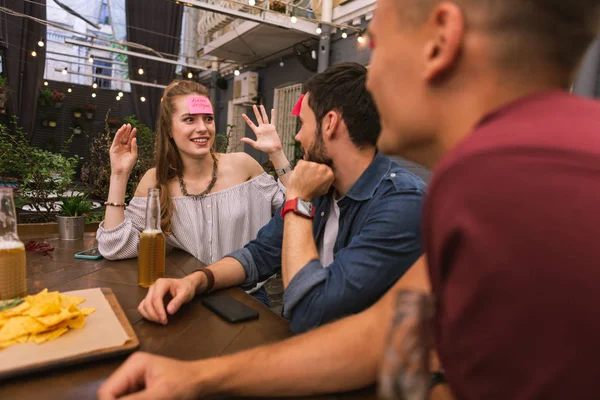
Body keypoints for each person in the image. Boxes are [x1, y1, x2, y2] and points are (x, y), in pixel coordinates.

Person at [99, 0, 600, 398]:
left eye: (376, 45)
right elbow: (377, 337)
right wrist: (195, 379)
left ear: (439, 40)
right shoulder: (483, 182)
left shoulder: (514, 183)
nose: (371, 80)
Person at [136, 62, 426, 333]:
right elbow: (258, 254)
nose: (297, 137)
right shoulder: (324, 186)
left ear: (330, 124)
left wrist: (298, 198)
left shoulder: (403, 203)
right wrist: (195, 281)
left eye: (302, 124)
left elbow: (310, 311)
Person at [96, 80, 291, 304]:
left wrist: (277, 153)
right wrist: (119, 175)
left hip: (246, 296)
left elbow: (299, 209)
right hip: (185, 294)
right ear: (169, 128)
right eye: (189, 119)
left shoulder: (243, 166)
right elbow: (115, 247)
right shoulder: (156, 180)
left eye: (208, 118)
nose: (202, 128)